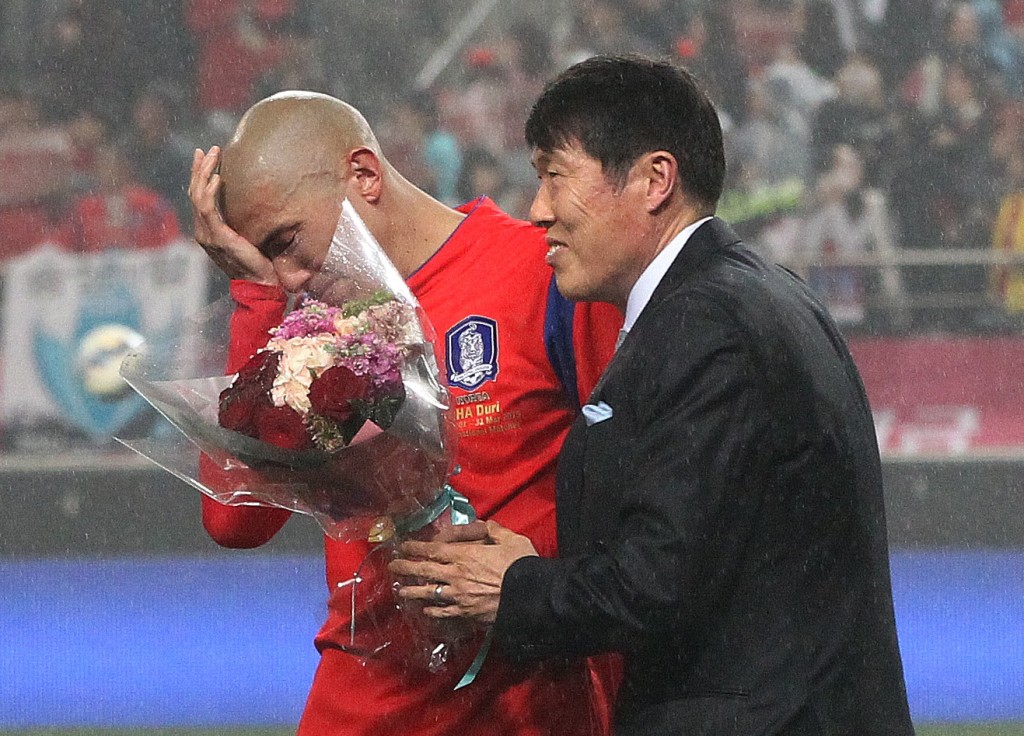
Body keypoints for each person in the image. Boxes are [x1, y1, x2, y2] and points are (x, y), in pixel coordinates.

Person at [390, 54, 915, 736]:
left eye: (555, 176)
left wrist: (513, 588)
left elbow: (657, 587)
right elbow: (707, 554)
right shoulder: (757, 294)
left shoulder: (706, 328)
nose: (538, 210)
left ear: (654, 179)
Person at [187, 90, 620, 735]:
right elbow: (232, 521)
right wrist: (254, 297)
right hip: (362, 697)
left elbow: (640, 500)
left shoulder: (544, 272)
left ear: (364, 174)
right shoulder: (307, 319)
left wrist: (534, 581)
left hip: (522, 700)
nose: (291, 276)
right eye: (264, 257)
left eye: (286, 241)